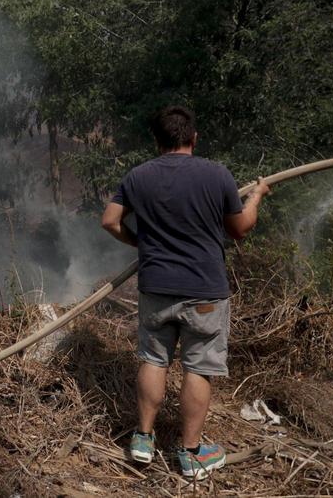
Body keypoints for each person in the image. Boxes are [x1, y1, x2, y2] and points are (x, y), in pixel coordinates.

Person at [101, 106, 270, 480]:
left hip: (156, 287)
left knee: (153, 359)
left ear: (157, 141)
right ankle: (191, 454)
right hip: (204, 293)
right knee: (198, 367)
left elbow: (110, 221)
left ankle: (142, 440)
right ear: (193, 138)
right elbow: (240, 228)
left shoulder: (138, 176)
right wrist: (256, 196)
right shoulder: (217, 174)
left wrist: (140, 243)